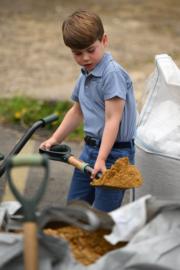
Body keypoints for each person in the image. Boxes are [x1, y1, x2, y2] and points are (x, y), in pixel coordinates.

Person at [40, 9, 137, 212]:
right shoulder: (86, 73)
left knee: (102, 217)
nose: (85, 58)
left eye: (90, 50)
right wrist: (55, 139)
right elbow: (77, 111)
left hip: (115, 156)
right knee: (75, 210)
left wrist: (102, 159)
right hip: (90, 151)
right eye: (77, 53)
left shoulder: (112, 74)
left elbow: (113, 119)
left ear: (104, 40)